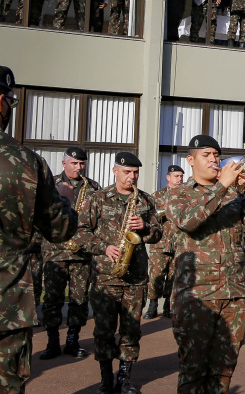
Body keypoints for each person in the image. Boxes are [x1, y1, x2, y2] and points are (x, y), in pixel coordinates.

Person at [166, 134, 245, 392]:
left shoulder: (235, 194)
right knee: (193, 371)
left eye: (216, 155)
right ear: (190, 160)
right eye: (206, 155)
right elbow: (188, 221)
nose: (214, 160)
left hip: (232, 295)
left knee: (224, 371)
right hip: (197, 298)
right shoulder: (178, 193)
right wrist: (222, 185)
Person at [0, 66, 79, 392]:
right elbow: (60, 229)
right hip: (8, 303)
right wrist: (65, 201)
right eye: (12, 102)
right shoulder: (25, 162)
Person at [75, 152, 162, 394]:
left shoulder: (145, 200)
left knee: (131, 330)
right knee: (103, 330)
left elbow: (158, 234)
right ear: (115, 171)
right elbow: (80, 232)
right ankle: (105, 380)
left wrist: (145, 228)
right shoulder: (98, 198)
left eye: (135, 172)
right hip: (105, 277)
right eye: (127, 172)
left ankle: (125, 379)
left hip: (135, 278)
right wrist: (104, 247)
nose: (132, 177)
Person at [40, 146, 101, 361]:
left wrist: (88, 210)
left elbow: (99, 220)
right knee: (52, 298)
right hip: (55, 251)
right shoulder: (51, 184)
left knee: (79, 298)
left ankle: (73, 340)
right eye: (74, 163)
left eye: (82, 163)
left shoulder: (93, 187)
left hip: (81, 252)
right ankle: (52, 341)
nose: (78, 167)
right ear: (64, 163)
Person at [146, 165, 184, 319]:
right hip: (160, 241)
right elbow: (149, 217)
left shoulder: (185, 195)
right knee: (156, 274)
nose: (180, 179)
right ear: (168, 177)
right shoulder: (157, 196)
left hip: (178, 242)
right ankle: (152, 305)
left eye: (181, 176)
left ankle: (168, 305)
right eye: (176, 176)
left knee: (173, 275)